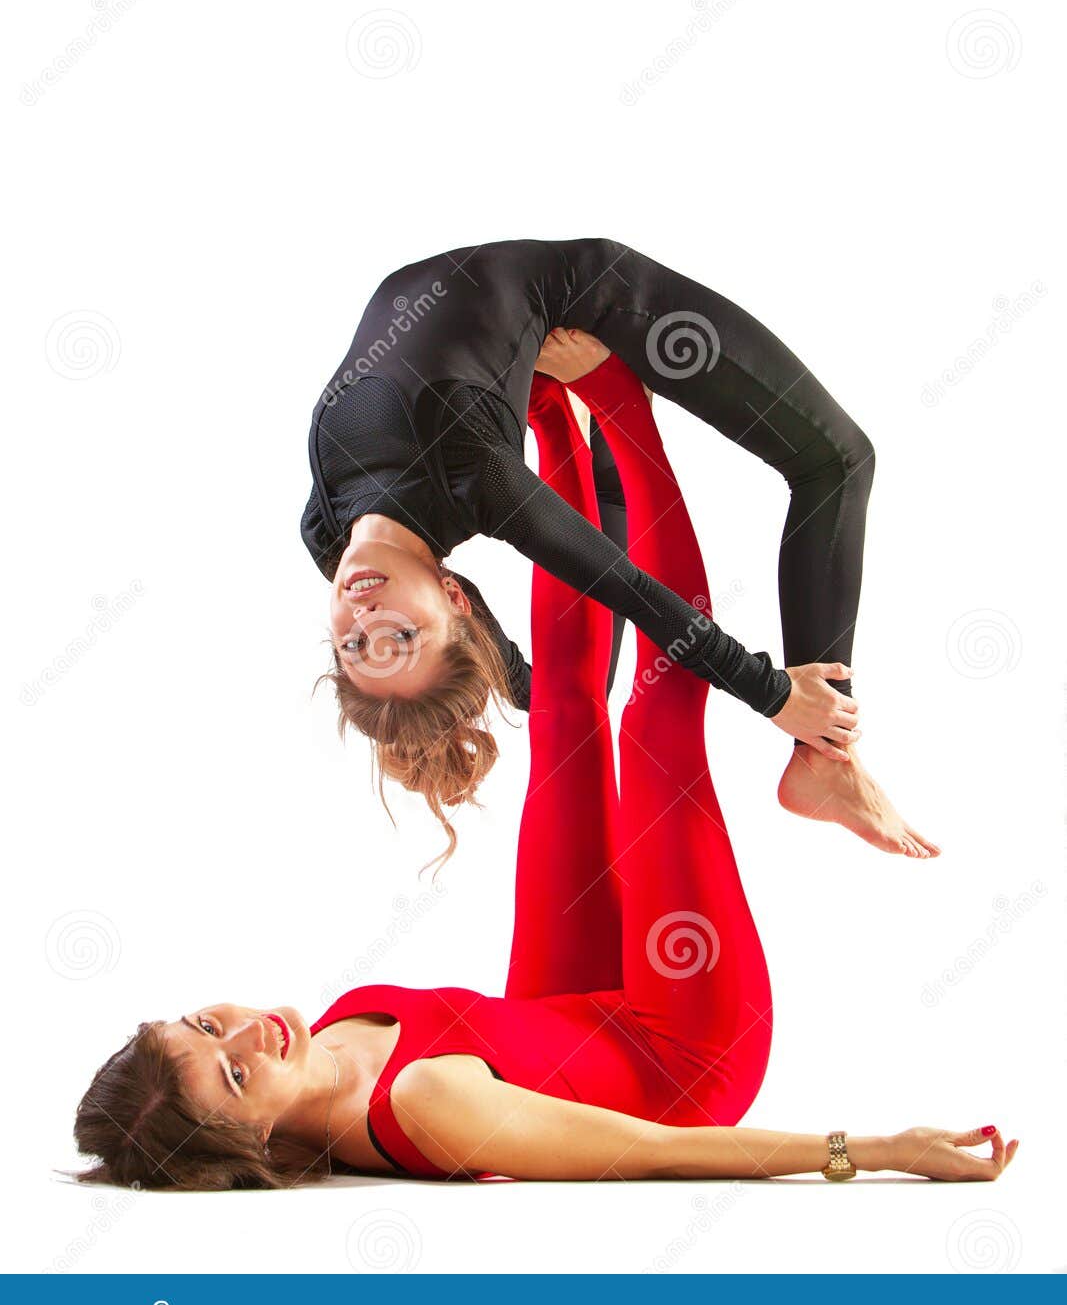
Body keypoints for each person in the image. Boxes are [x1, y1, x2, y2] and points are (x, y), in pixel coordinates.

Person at [74, 364, 991, 1191]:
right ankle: (619, 402)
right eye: (237, 1075)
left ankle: (550, 413)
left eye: (203, 1025)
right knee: (654, 727)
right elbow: (661, 1154)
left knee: (562, 714)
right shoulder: (428, 1106)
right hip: (683, 1060)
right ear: (262, 1147)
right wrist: (873, 1153)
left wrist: (536, 408)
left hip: (564, 1019)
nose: (246, 1034)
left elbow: (505, 1035)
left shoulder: (326, 1029)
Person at [303, 239, 936, 860]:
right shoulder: (435, 502)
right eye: (403, 638)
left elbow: (620, 598)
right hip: (538, 307)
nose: (367, 618)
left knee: (839, 461)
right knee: (559, 684)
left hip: (575, 291)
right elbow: (617, 590)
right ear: (452, 596)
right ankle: (827, 758)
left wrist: (775, 696)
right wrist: (768, 695)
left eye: (356, 646)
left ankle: (826, 761)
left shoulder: (414, 490)